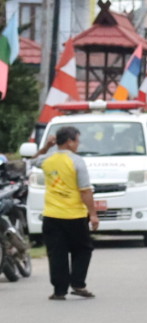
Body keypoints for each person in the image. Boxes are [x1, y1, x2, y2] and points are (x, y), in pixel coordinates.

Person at [38, 124, 97, 300]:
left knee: (57, 252)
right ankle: (78, 283)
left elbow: (32, 160)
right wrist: (93, 214)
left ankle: (59, 291)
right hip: (74, 215)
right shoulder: (77, 161)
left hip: (51, 215)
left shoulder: (47, 159)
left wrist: (47, 147)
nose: (78, 144)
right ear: (70, 142)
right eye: (77, 141)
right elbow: (85, 190)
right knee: (83, 249)